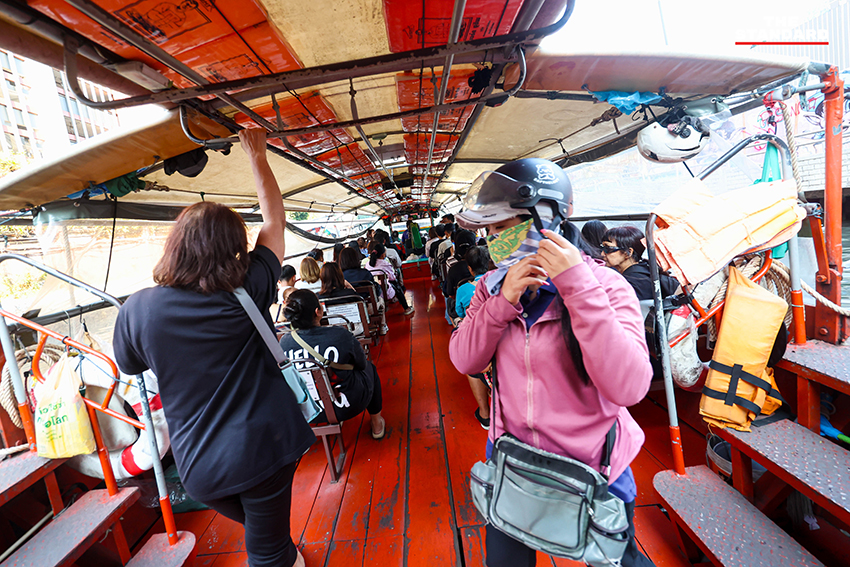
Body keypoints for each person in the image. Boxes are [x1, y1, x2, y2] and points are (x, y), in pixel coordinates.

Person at [112, 129, 312, 567]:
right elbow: (274, 222)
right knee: (267, 551)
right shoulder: (249, 289)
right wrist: (257, 157)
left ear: (175, 246)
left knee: (266, 532)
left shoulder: (137, 309)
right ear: (235, 250)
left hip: (198, 466)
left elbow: (130, 365)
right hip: (262, 449)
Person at [448, 158, 656, 567]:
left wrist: (576, 286)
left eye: (501, 227)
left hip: (594, 468)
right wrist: (502, 304)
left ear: (544, 219)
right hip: (513, 462)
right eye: (488, 232)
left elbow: (629, 387)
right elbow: (464, 359)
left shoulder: (606, 286)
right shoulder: (490, 287)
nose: (492, 241)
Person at [279, 290, 385, 439]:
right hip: (348, 406)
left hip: (309, 412)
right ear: (318, 312)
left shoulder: (284, 342)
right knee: (370, 368)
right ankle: (377, 423)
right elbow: (361, 364)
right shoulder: (339, 334)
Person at [454, 245, 493, 430]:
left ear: (470, 269)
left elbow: (460, 313)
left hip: (481, 345)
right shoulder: (504, 282)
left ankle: (485, 413)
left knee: (471, 366)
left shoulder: (463, 289)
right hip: (504, 342)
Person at [601, 226, 678, 300]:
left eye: (608, 249)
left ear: (628, 253)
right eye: (602, 247)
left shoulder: (632, 282)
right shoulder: (645, 270)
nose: (602, 254)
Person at [367, 243, 414, 316]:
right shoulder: (385, 263)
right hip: (385, 291)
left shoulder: (368, 264)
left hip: (372, 291)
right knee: (396, 284)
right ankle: (406, 308)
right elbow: (392, 277)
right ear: (383, 254)